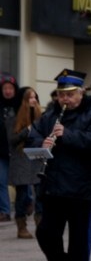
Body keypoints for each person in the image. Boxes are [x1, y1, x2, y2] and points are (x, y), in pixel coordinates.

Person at [29, 69, 91, 261]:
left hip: (81, 187)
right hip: (53, 185)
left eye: (70, 94)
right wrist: (41, 143)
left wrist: (68, 135)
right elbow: (33, 136)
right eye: (62, 94)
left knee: (79, 239)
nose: (65, 99)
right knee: (45, 233)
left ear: (81, 93)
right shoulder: (49, 116)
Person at [8, 87, 43, 238]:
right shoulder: (14, 118)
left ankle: (41, 225)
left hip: (37, 157)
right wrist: (26, 131)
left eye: (35, 97)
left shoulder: (41, 117)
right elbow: (12, 140)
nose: (33, 100)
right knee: (22, 195)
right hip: (21, 158)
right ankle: (21, 227)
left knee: (40, 193)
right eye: (30, 98)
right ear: (23, 101)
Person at [0, 73, 19, 221]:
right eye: (5, 88)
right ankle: (5, 211)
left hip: (18, 150)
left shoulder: (20, 105)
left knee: (22, 182)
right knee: (1, 181)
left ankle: (26, 204)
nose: (7, 91)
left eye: (10, 88)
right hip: (1, 150)